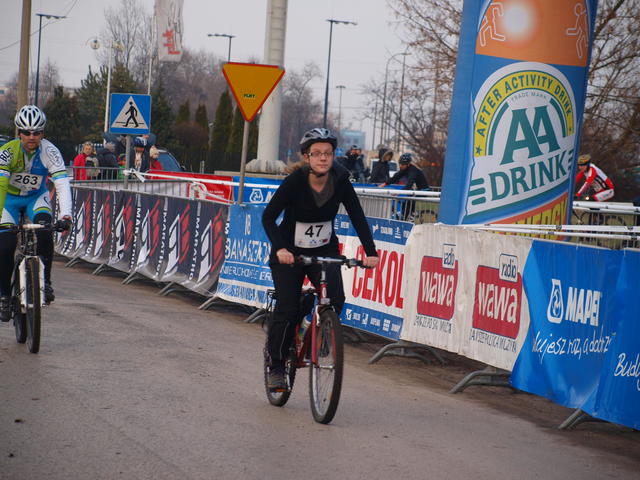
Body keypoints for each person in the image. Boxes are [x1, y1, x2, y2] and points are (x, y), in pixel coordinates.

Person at [261, 128, 379, 390]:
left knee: (335, 299)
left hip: (325, 250)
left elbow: (358, 217)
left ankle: (319, 329)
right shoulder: (295, 182)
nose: (323, 158)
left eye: (328, 153)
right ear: (307, 157)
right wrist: (281, 249)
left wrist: (371, 252)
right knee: (287, 308)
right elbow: (268, 217)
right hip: (290, 253)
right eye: (317, 153)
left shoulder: (341, 181)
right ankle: (277, 365)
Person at [0, 105, 72, 321]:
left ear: (43, 133)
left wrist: (66, 216)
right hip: (9, 201)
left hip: (35, 198)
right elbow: (1, 186)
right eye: (26, 132)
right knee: (5, 246)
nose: (31, 137)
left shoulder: (50, 151)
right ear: (19, 133)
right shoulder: (7, 152)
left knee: (45, 232)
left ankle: (45, 282)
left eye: (37, 132)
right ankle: (4, 295)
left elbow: (62, 183)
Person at [380, 153, 429, 221]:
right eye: (400, 164)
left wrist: (398, 193)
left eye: (402, 164)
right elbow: (396, 177)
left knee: (408, 200)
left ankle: (412, 214)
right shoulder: (405, 169)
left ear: (408, 164)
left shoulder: (413, 170)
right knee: (405, 201)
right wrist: (385, 183)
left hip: (424, 191)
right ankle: (407, 215)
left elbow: (409, 184)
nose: (400, 166)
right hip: (418, 190)